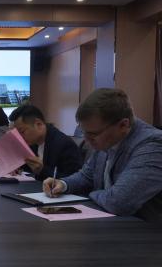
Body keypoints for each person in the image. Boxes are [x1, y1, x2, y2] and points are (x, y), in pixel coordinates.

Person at [43, 88, 162, 220]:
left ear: (123, 125)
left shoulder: (153, 145)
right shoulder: (106, 139)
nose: (86, 140)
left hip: (144, 228)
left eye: (93, 134)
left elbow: (118, 202)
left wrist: (91, 194)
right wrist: (63, 184)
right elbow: (87, 176)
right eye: (84, 132)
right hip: (108, 222)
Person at [10, 104, 83, 182]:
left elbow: (75, 180)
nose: (20, 137)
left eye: (22, 132)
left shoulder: (64, 144)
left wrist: (42, 170)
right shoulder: (32, 142)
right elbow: (30, 168)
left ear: (38, 124)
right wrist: (18, 166)